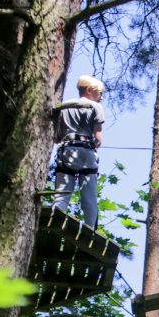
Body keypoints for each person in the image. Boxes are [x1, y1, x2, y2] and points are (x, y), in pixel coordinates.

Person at [51, 75, 105, 228]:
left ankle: (54, 222)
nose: (101, 97)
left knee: (62, 192)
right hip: (86, 153)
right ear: (89, 90)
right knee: (89, 195)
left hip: (66, 151)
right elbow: (98, 139)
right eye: (99, 93)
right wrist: (94, 143)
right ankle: (90, 230)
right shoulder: (95, 107)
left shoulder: (63, 107)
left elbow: (57, 137)